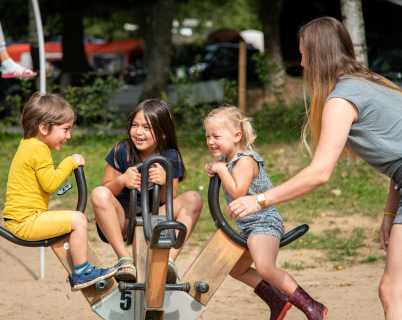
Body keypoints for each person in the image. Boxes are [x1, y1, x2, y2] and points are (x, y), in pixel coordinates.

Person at [226, 16, 402, 320]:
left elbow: (319, 173)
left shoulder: (342, 99)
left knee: (393, 290)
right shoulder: (371, 84)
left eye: (304, 54)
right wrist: (389, 213)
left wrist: (259, 200)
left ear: (318, 56)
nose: (302, 63)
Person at [204, 104, 327, 320]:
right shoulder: (227, 160)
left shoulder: (245, 160)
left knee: (265, 268)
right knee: (237, 269)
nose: (210, 142)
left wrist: (221, 170)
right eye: (207, 137)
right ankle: (277, 301)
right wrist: (218, 167)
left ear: (237, 135)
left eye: (216, 136)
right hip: (248, 227)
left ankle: (313, 306)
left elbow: (238, 192)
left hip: (264, 222)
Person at [2, 92, 116, 291]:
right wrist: (71, 162)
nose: (68, 136)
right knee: (78, 219)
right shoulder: (38, 149)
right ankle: (81, 272)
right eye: (65, 130)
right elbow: (51, 184)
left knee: (73, 219)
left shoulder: (28, 145)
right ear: (44, 128)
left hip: (24, 219)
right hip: (25, 222)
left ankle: (82, 268)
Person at [91, 99, 203, 284]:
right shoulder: (122, 149)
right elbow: (106, 190)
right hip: (122, 221)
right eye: (135, 125)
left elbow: (169, 198)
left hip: (152, 219)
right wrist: (121, 180)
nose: (138, 132)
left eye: (147, 127)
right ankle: (124, 260)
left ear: (163, 133)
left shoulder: (170, 156)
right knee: (98, 193)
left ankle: (169, 262)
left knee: (194, 198)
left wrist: (165, 181)